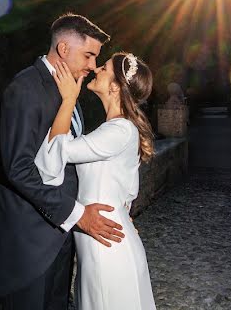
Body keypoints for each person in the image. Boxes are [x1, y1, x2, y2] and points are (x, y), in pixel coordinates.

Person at [0, 13, 124, 309]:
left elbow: (67, 161)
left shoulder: (69, 89)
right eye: (89, 55)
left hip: (61, 238)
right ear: (63, 49)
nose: (93, 66)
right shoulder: (26, 88)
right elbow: (18, 169)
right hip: (27, 245)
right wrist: (77, 213)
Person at [36, 52, 157, 309]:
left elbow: (55, 153)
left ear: (114, 86)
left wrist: (69, 99)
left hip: (106, 248)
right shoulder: (116, 128)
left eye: (103, 68)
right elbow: (126, 192)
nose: (95, 69)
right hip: (103, 239)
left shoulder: (119, 130)